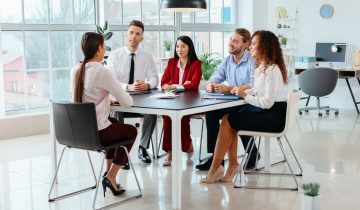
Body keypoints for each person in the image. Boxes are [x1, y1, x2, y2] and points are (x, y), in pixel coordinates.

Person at [200, 30, 288, 184]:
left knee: (231, 120)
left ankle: (217, 168)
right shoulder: (264, 68)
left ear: (264, 47)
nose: (251, 48)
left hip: (274, 117)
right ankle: (229, 165)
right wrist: (242, 91)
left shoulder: (272, 70)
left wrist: (244, 95)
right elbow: (257, 89)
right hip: (268, 112)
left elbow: (267, 102)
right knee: (229, 120)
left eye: (254, 44)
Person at [70, 32, 137, 195]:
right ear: (100, 48)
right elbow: (128, 102)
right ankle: (112, 176)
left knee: (113, 124)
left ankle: (108, 174)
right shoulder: (102, 71)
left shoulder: (76, 69)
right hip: (97, 134)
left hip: (77, 133)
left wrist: (106, 100)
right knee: (131, 131)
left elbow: (86, 98)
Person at [196, 28, 261, 171]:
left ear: (245, 44)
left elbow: (254, 85)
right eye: (231, 39)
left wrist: (229, 88)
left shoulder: (252, 60)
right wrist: (211, 86)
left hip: (251, 102)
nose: (231, 43)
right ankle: (216, 159)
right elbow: (213, 79)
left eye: (235, 41)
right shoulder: (227, 61)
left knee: (236, 116)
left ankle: (252, 153)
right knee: (211, 113)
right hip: (234, 102)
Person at [107, 20, 159, 168]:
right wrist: (129, 87)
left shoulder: (147, 56)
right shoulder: (115, 55)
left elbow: (155, 78)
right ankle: (120, 153)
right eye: (131, 33)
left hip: (141, 100)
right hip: (122, 99)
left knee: (152, 112)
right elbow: (112, 80)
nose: (134, 36)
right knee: (117, 112)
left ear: (142, 38)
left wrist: (147, 85)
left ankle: (143, 148)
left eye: (137, 34)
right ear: (126, 35)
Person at [160, 35, 202, 166]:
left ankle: (187, 145)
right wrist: (182, 85)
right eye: (177, 46)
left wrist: (175, 85)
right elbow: (163, 82)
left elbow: (194, 84)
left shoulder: (196, 64)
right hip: (172, 99)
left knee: (182, 117)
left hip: (190, 101)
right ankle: (169, 152)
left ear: (190, 48)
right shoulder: (172, 62)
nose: (180, 49)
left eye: (183, 46)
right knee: (167, 117)